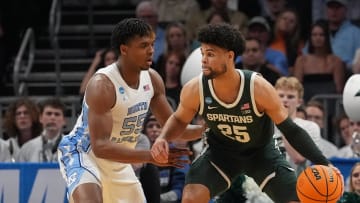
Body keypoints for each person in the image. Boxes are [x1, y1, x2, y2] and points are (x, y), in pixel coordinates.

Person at [151, 23, 336, 203]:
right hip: (220, 154)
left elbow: (291, 129)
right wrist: (163, 138)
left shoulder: (257, 87)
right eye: (202, 54)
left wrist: (323, 162)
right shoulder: (195, 89)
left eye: (210, 54)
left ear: (230, 56)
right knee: (192, 197)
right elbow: (178, 120)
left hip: (261, 154)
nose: (203, 60)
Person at [57, 18, 203, 203]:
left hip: (118, 159)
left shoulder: (153, 80)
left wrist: (209, 129)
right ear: (124, 49)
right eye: (143, 45)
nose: (151, 50)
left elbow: (174, 129)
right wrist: (150, 156)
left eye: (151, 44)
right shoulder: (102, 85)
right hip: (84, 153)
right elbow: (100, 146)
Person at [16, 98, 66, 162]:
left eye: (57, 114)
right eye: (48, 113)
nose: (52, 117)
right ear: (40, 118)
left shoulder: (74, 148)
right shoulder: (27, 148)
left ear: (64, 121)